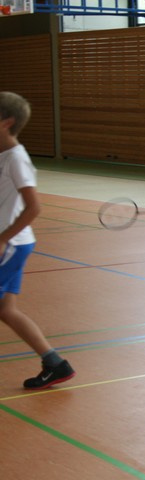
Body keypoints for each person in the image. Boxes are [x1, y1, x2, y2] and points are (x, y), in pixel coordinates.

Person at [0, 91, 76, 390]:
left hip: (11, 245)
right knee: (6, 310)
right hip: (15, 243)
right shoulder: (3, 154)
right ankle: (55, 364)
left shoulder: (16, 158)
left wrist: (3, 239)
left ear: (6, 122)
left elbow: (34, 207)